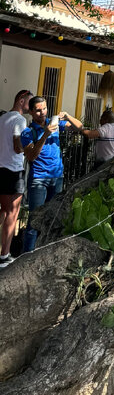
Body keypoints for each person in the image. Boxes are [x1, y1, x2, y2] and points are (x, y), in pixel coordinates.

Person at [21, 95, 73, 253]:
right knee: (35, 220)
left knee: (52, 219)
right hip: (39, 179)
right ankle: (27, 257)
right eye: (38, 110)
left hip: (56, 177)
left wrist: (68, 115)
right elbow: (31, 156)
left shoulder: (54, 123)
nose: (42, 112)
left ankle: (44, 253)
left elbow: (79, 127)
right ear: (31, 112)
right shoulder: (27, 132)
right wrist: (45, 134)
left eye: (44, 108)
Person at [0, 90, 32, 267]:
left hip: (0, 169)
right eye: (29, 102)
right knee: (12, 214)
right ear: (21, 101)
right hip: (13, 171)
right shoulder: (20, 120)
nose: (31, 106)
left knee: (3, 211)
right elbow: (17, 146)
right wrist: (29, 144)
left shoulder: (2, 118)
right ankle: (4, 256)